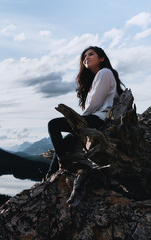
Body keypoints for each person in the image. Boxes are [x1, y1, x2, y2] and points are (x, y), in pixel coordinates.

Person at [45, 46, 124, 179]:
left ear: (102, 58)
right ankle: (49, 176)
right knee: (63, 145)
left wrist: (78, 122)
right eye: (84, 57)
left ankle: (63, 163)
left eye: (91, 54)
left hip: (99, 119)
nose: (86, 58)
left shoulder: (104, 72)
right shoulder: (96, 78)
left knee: (53, 124)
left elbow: (96, 103)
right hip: (95, 118)